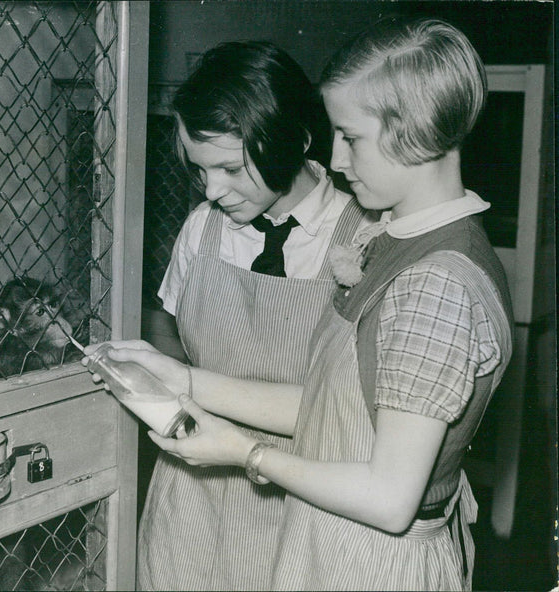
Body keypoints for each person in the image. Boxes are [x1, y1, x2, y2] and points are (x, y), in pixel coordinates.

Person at [87, 18, 513, 591]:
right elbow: (326, 407)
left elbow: (390, 498)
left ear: (416, 130)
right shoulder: (397, 245)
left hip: (370, 560)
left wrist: (247, 454)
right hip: (325, 544)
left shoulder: (435, 282)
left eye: (351, 137)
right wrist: (183, 379)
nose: (336, 158)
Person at [120, 41, 372, 591]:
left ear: (294, 138)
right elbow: (171, 325)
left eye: (231, 167)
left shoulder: (364, 237)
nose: (212, 190)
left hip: (306, 500)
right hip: (194, 500)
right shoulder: (202, 228)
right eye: (199, 168)